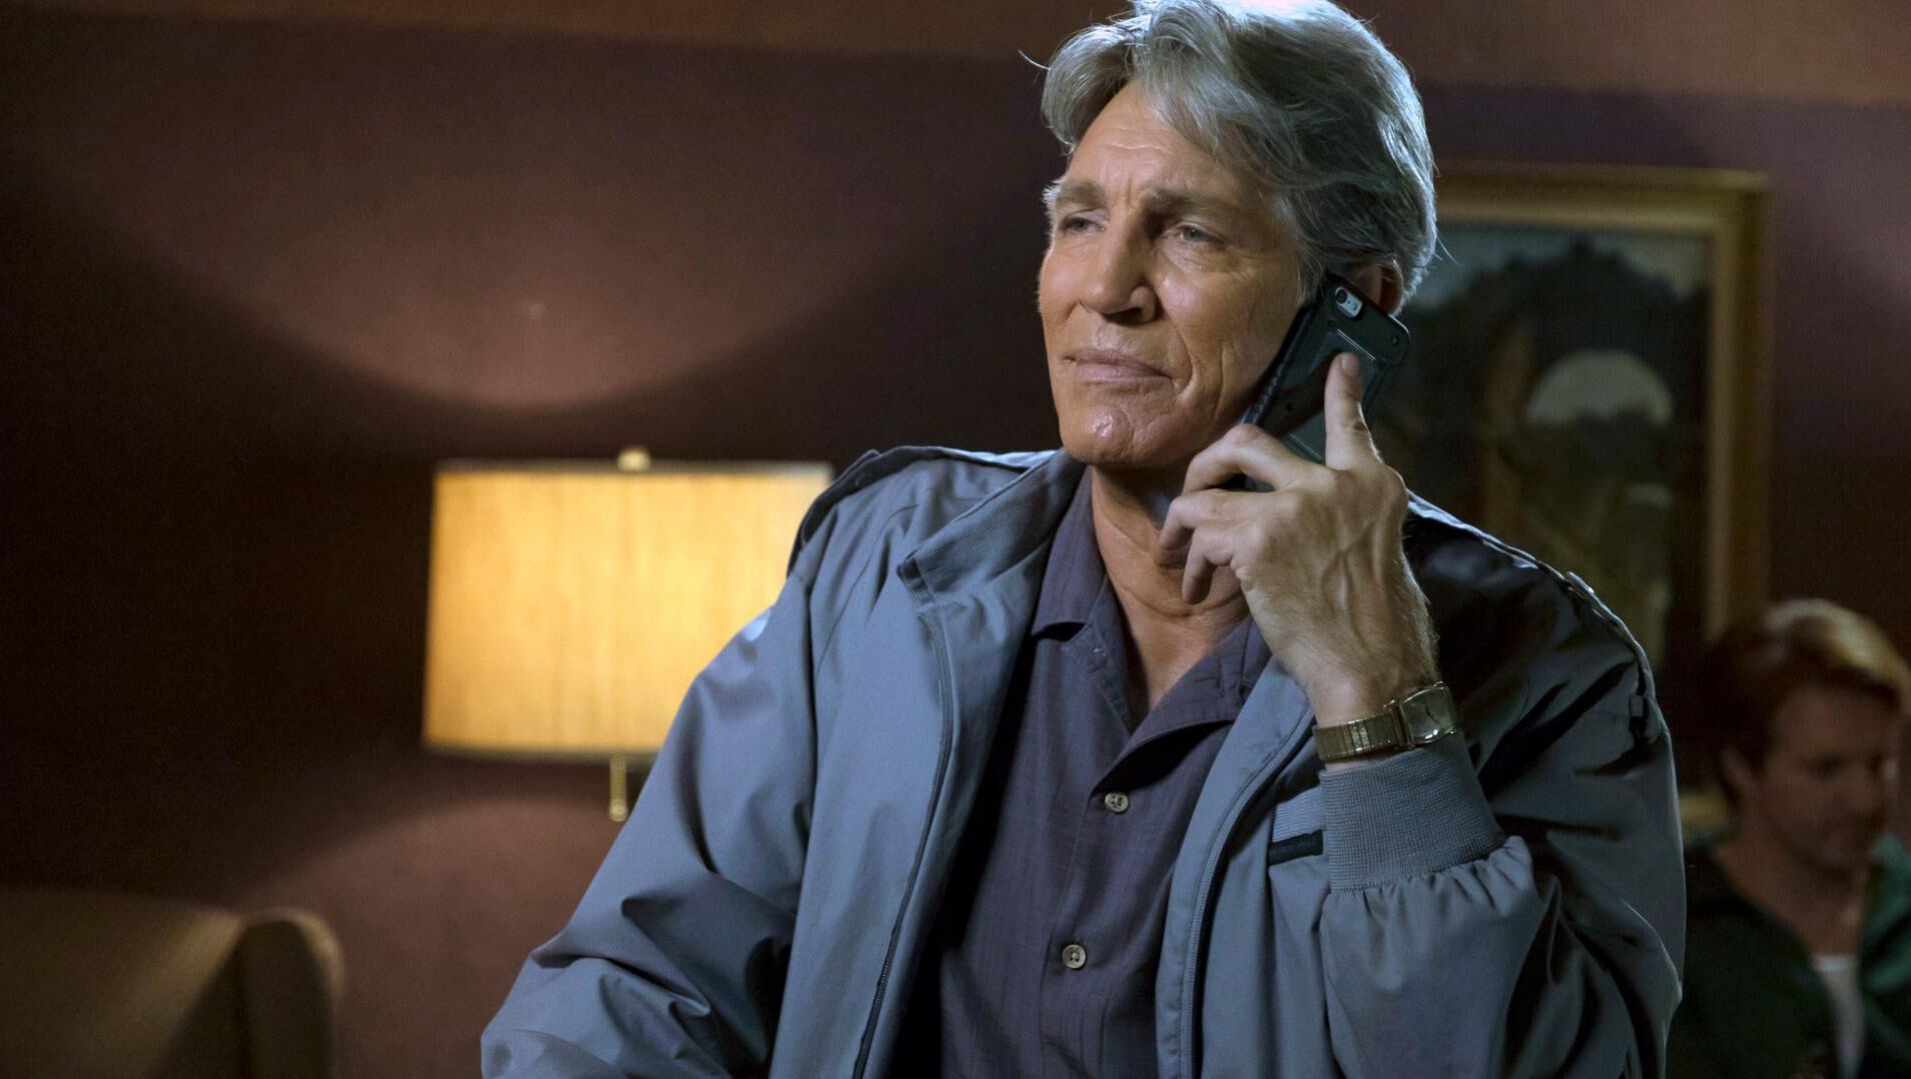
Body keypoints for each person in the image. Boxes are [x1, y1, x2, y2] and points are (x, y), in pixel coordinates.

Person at [482, 2, 1684, 1075]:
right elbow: (635, 986)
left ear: (1353, 307)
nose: (1103, 289)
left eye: (1189, 233)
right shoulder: (882, 567)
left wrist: (1379, 698)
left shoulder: (1549, 666)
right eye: (1079, 219)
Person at [1669, 600, 1911, 1079]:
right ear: (1741, 767)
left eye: (1879, 764)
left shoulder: (1901, 906)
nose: (1865, 800)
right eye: (1828, 769)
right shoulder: (1673, 927)